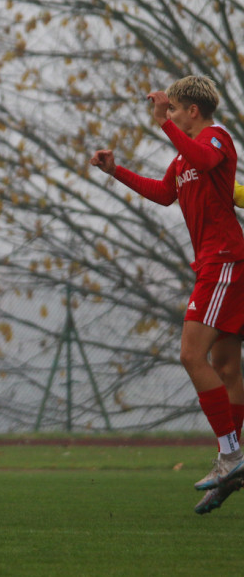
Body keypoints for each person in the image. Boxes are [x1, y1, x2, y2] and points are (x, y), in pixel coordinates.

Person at [89, 76, 244, 514]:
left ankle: (231, 455)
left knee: (191, 355)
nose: (168, 115)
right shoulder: (184, 156)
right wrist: (114, 171)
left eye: (173, 108)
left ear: (192, 110)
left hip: (224, 262)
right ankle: (234, 467)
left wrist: (164, 124)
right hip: (218, 264)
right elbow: (163, 193)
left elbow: (204, 158)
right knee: (226, 366)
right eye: (167, 110)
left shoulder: (215, 137)